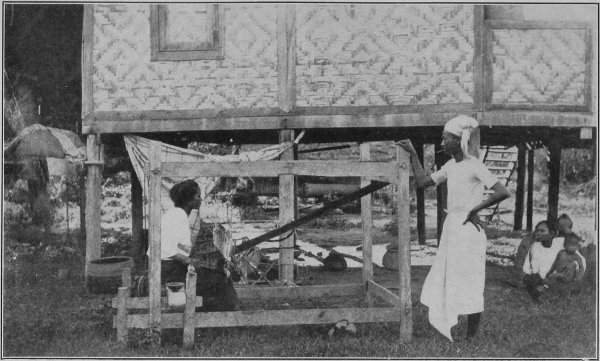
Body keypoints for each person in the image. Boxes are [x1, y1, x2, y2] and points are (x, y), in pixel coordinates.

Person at [397, 114, 510, 341]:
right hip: (452, 228)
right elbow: (421, 182)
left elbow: (502, 192)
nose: (441, 143)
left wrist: (475, 209)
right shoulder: (450, 166)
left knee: (471, 279)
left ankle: (471, 334)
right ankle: (449, 322)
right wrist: (412, 153)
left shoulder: (474, 165)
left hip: (469, 230)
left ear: (459, 140)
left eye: (445, 139)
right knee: (449, 276)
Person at [150, 179, 238, 311]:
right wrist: (188, 259)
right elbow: (166, 249)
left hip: (166, 267)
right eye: (197, 196)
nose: (201, 199)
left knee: (212, 274)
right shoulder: (178, 215)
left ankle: (216, 312)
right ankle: (227, 314)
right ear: (188, 200)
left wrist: (197, 256)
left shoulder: (174, 213)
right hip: (169, 271)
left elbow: (177, 245)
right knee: (220, 277)